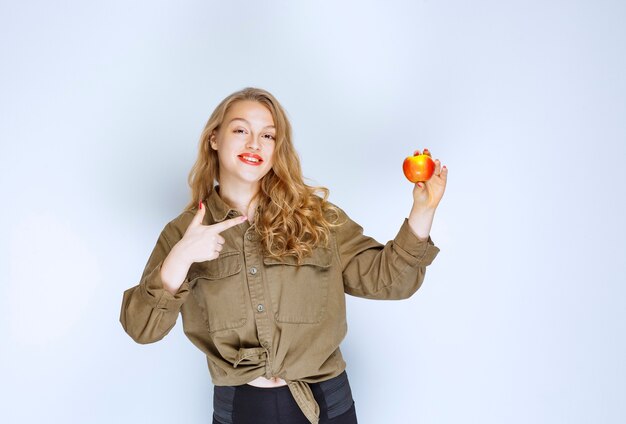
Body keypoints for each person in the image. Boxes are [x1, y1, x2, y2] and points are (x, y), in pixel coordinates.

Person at [120, 87, 448, 424]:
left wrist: (422, 211)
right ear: (214, 139)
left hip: (326, 405)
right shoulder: (183, 233)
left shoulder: (318, 218)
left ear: (278, 148)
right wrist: (179, 259)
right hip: (241, 409)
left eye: (268, 135)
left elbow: (389, 282)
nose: (254, 144)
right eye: (240, 130)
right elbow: (141, 330)